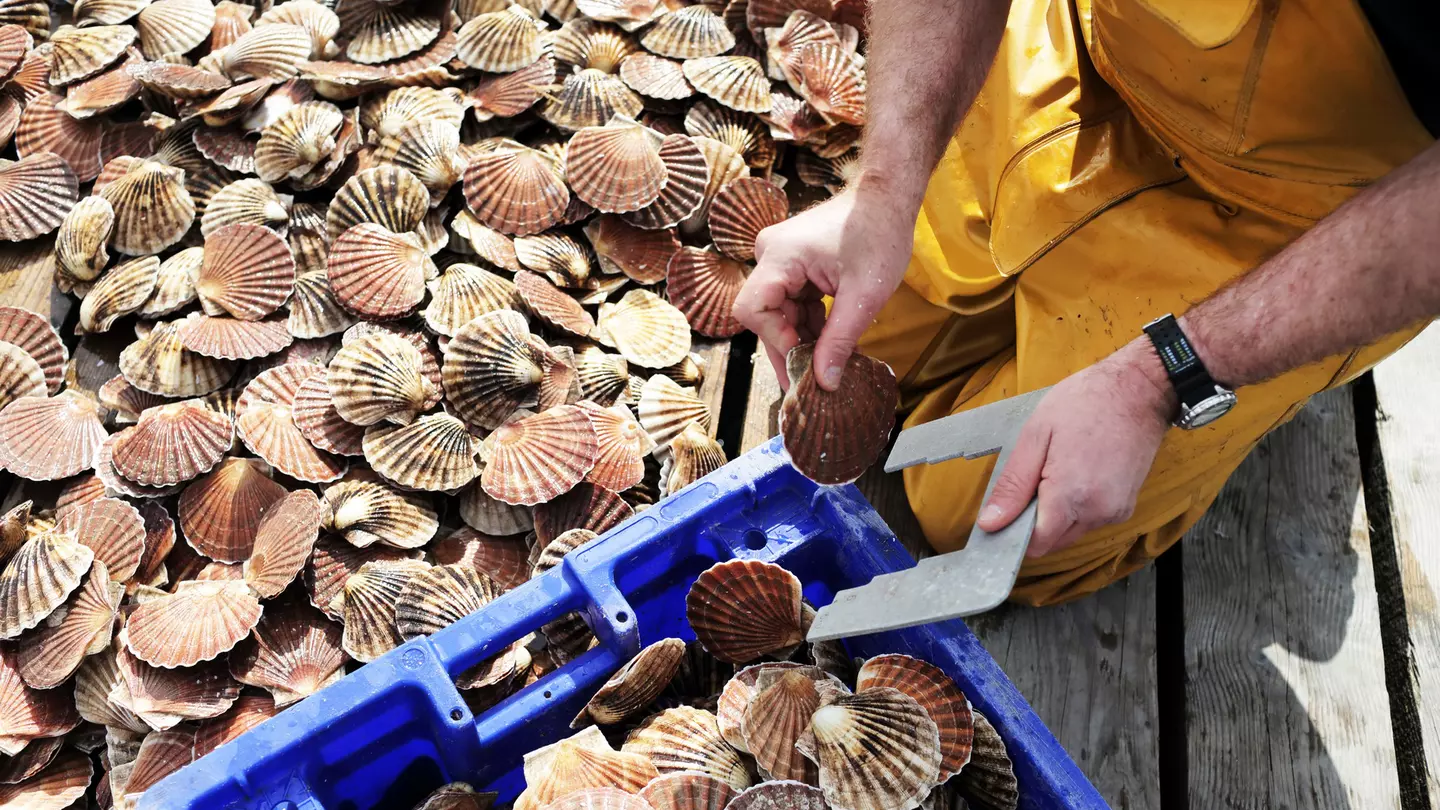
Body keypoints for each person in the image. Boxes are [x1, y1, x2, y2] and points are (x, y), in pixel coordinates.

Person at [733, 0, 1440, 606]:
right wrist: (883, 188)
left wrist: (1167, 375)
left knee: (985, 515)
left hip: (1313, 214)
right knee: (846, 343)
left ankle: (1286, 363)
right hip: (1088, 60)